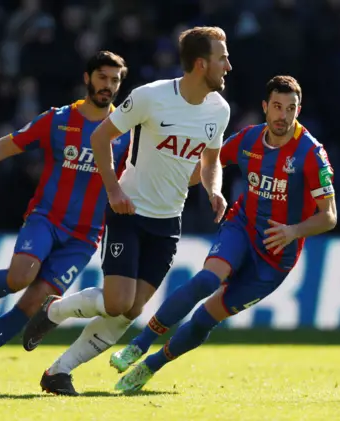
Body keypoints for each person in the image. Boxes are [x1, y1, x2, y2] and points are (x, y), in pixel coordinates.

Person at [21, 26, 232, 395]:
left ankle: (58, 372)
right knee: (117, 301)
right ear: (201, 64)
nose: (228, 65)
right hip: (129, 213)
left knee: (132, 311)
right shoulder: (151, 97)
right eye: (222, 57)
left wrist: (214, 188)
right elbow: (100, 137)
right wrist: (114, 189)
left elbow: (211, 160)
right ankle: (55, 311)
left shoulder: (219, 110)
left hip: (168, 222)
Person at [111, 75, 338, 392]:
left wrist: (293, 231)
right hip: (243, 226)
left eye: (290, 108)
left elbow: (329, 216)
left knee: (205, 319)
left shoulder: (311, 154)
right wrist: (166, 182)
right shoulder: (248, 140)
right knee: (206, 279)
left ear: (299, 110)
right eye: (276, 107)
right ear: (264, 107)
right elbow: (208, 164)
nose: (282, 116)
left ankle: (150, 367)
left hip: (275, 257)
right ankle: (140, 343)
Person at [0, 51, 131, 387]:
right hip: (46, 218)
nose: (108, 86)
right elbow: (10, 145)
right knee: (20, 276)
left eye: (115, 80)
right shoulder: (59, 119)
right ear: (87, 78)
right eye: (103, 77)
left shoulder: (125, 131)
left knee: (32, 304)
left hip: (84, 236)